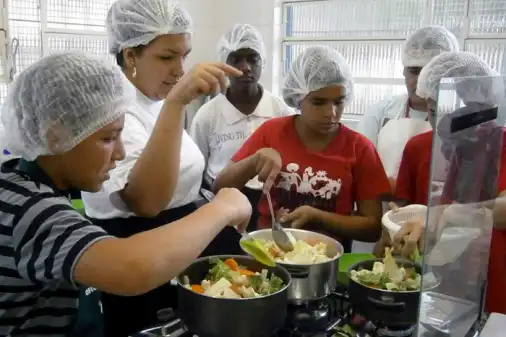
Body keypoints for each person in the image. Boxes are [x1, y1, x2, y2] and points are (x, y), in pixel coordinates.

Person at [0, 52, 251, 337]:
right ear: (54, 135)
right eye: (108, 138)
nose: (119, 153)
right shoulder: (31, 208)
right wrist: (222, 209)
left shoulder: (19, 184)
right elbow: (131, 268)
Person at [80, 0, 247, 335]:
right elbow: (146, 202)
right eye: (167, 57)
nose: (180, 69)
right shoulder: (112, 110)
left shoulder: (156, 101)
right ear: (130, 55)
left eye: (184, 55)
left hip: (180, 242)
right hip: (139, 252)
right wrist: (176, 103)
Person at [212, 46, 391, 252]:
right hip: (269, 252)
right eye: (318, 102)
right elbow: (220, 187)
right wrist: (253, 162)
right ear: (298, 98)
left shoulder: (359, 148)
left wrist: (318, 217)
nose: (331, 113)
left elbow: (372, 227)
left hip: (325, 259)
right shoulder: (272, 132)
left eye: (339, 102)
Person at [375, 51, 506, 314]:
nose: (437, 123)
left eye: (439, 111)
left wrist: (448, 214)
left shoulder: (498, 148)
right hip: (454, 300)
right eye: (432, 112)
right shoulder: (456, 153)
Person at [190, 23, 294, 231]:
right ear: (223, 63)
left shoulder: (280, 111)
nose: (245, 67)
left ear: (262, 62)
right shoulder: (207, 115)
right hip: (222, 201)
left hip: (271, 203)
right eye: (236, 59)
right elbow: (197, 171)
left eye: (253, 59)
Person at [359, 26, 459, 190]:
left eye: (429, 72)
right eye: (414, 71)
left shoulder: (459, 119)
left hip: (435, 211)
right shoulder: (381, 112)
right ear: (403, 71)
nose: (421, 80)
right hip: (383, 210)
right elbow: (362, 167)